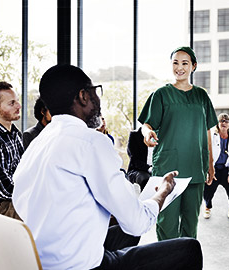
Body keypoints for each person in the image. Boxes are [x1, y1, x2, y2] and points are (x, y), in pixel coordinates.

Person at [12, 64, 202, 270]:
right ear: (84, 96)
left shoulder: (38, 144)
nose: (98, 99)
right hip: (81, 266)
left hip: (41, 260)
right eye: (95, 91)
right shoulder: (90, 142)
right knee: (189, 249)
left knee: (125, 232)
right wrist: (162, 194)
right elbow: (138, 222)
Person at [139, 47, 217, 241]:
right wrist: (148, 132)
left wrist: (210, 164)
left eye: (184, 63)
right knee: (167, 225)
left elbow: (207, 131)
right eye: (175, 62)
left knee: (191, 226)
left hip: (195, 169)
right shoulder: (161, 94)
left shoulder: (201, 96)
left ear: (193, 66)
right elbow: (146, 124)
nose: (179, 67)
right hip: (168, 169)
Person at [203, 113, 229, 219]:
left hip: (226, 168)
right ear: (217, 124)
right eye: (221, 121)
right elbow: (206, 153)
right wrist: (208, 170)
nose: (223, 123)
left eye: (226, 121)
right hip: (213, 167)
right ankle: (207, 207)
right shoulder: (212, 136)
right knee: (208, 184)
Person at [0, 81, 23, 220]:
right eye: (11, 103)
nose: (19, 106)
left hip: (16, 198)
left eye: (17, 101)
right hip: (0, 205)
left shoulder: (15, 134)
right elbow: (4, 190)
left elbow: (25, 170)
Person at [126, 127, 151, 191]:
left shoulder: (162, 136)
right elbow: (134, 160)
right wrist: (149, 168)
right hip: (138, 170)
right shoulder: (135, 135)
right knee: (145, 178)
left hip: (157, 169)